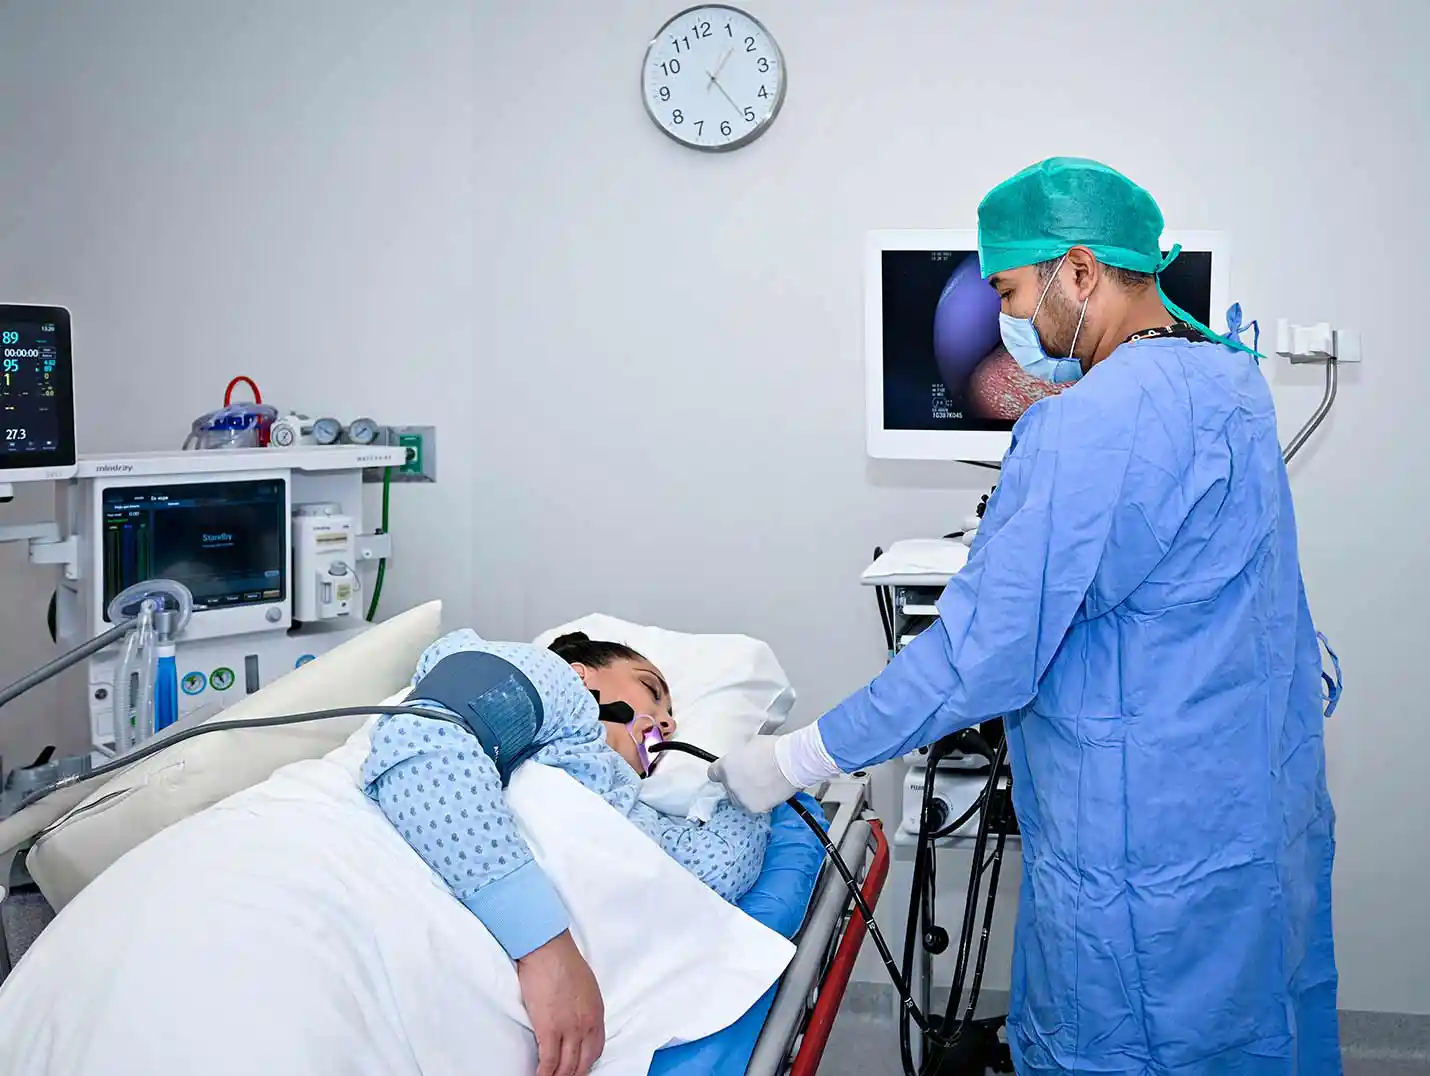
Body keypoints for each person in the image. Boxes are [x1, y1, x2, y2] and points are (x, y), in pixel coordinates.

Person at [710, 157, 1341, 1075]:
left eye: (1009, 289)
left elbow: (978, 655)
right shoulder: (1232, 385)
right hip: (1246, 812)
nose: (1006, 321)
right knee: (1247, 1036)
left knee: (1134, 1046)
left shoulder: (1086, 424)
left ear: (1080, 272)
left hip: (1137, 847)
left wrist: (795, 757)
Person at [363, 629, 770, 1076]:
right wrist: (546, 949)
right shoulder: (557, 686)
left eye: (671, 714)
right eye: (650, 692)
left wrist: (755, 780)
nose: (667, 721)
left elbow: (716, 871)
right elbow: (421, 744)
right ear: (583, 677)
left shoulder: (625, 800)